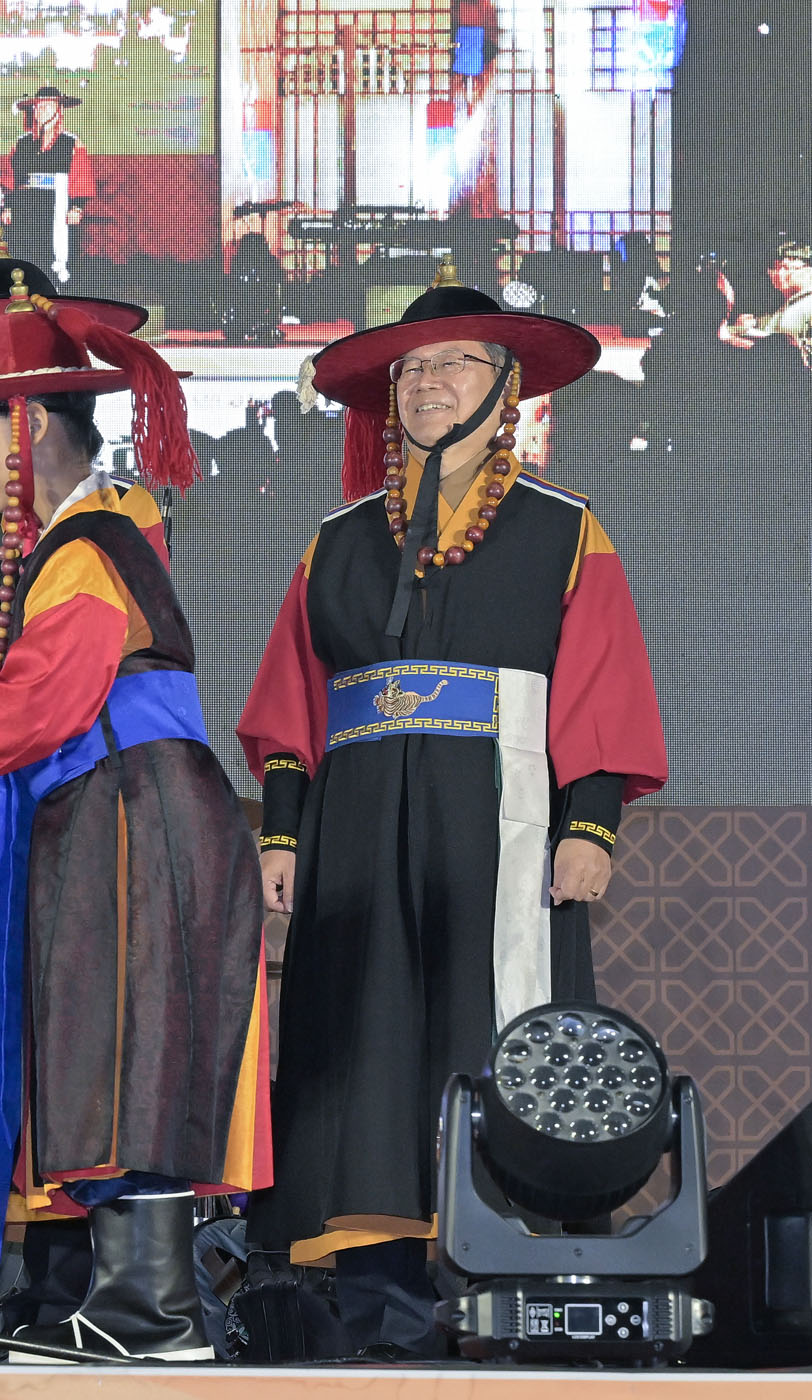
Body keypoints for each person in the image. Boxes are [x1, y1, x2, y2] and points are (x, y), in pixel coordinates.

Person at [0, 273, 270, 1360]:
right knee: (116, 1049)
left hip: (134, 809)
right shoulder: (87, 537)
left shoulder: (87, 545)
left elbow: (38, 702)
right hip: (122, 806)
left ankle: (152, 1312)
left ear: (27, 428)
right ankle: (139, 1307)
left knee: (132, 1052)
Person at [236, 262, 669, 1357]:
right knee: (361, 1050)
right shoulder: (337, 539)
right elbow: (291, 702)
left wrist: (591, 822)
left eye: (455, 362)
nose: (426, 382)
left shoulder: (563, 529)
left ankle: (505, 1294)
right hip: (353, 831)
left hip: (501, 824)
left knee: (492, 1034)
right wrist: (282, 832)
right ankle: (376, 1310)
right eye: (410, 368)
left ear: (508, 385)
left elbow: (603, 688)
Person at [5, 86, 94, 284]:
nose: (42, 110)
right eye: (38, 106)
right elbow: (11, 179)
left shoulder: (71, 143)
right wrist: (8, 206)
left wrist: (77, 207)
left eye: (48, 105)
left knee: (53, 259)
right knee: (24, 255)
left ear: (58, 110)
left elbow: (81, 177)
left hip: (55, 207)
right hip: (26, 207)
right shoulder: (21, 143)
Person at [719, 234, 812, 366]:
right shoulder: (795, 303)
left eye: (784, 267)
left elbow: (780, 346)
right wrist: (756, 322)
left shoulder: (805, 304)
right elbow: (780, 326)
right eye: (776, 268)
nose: (775, 274)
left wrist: (729, 338)